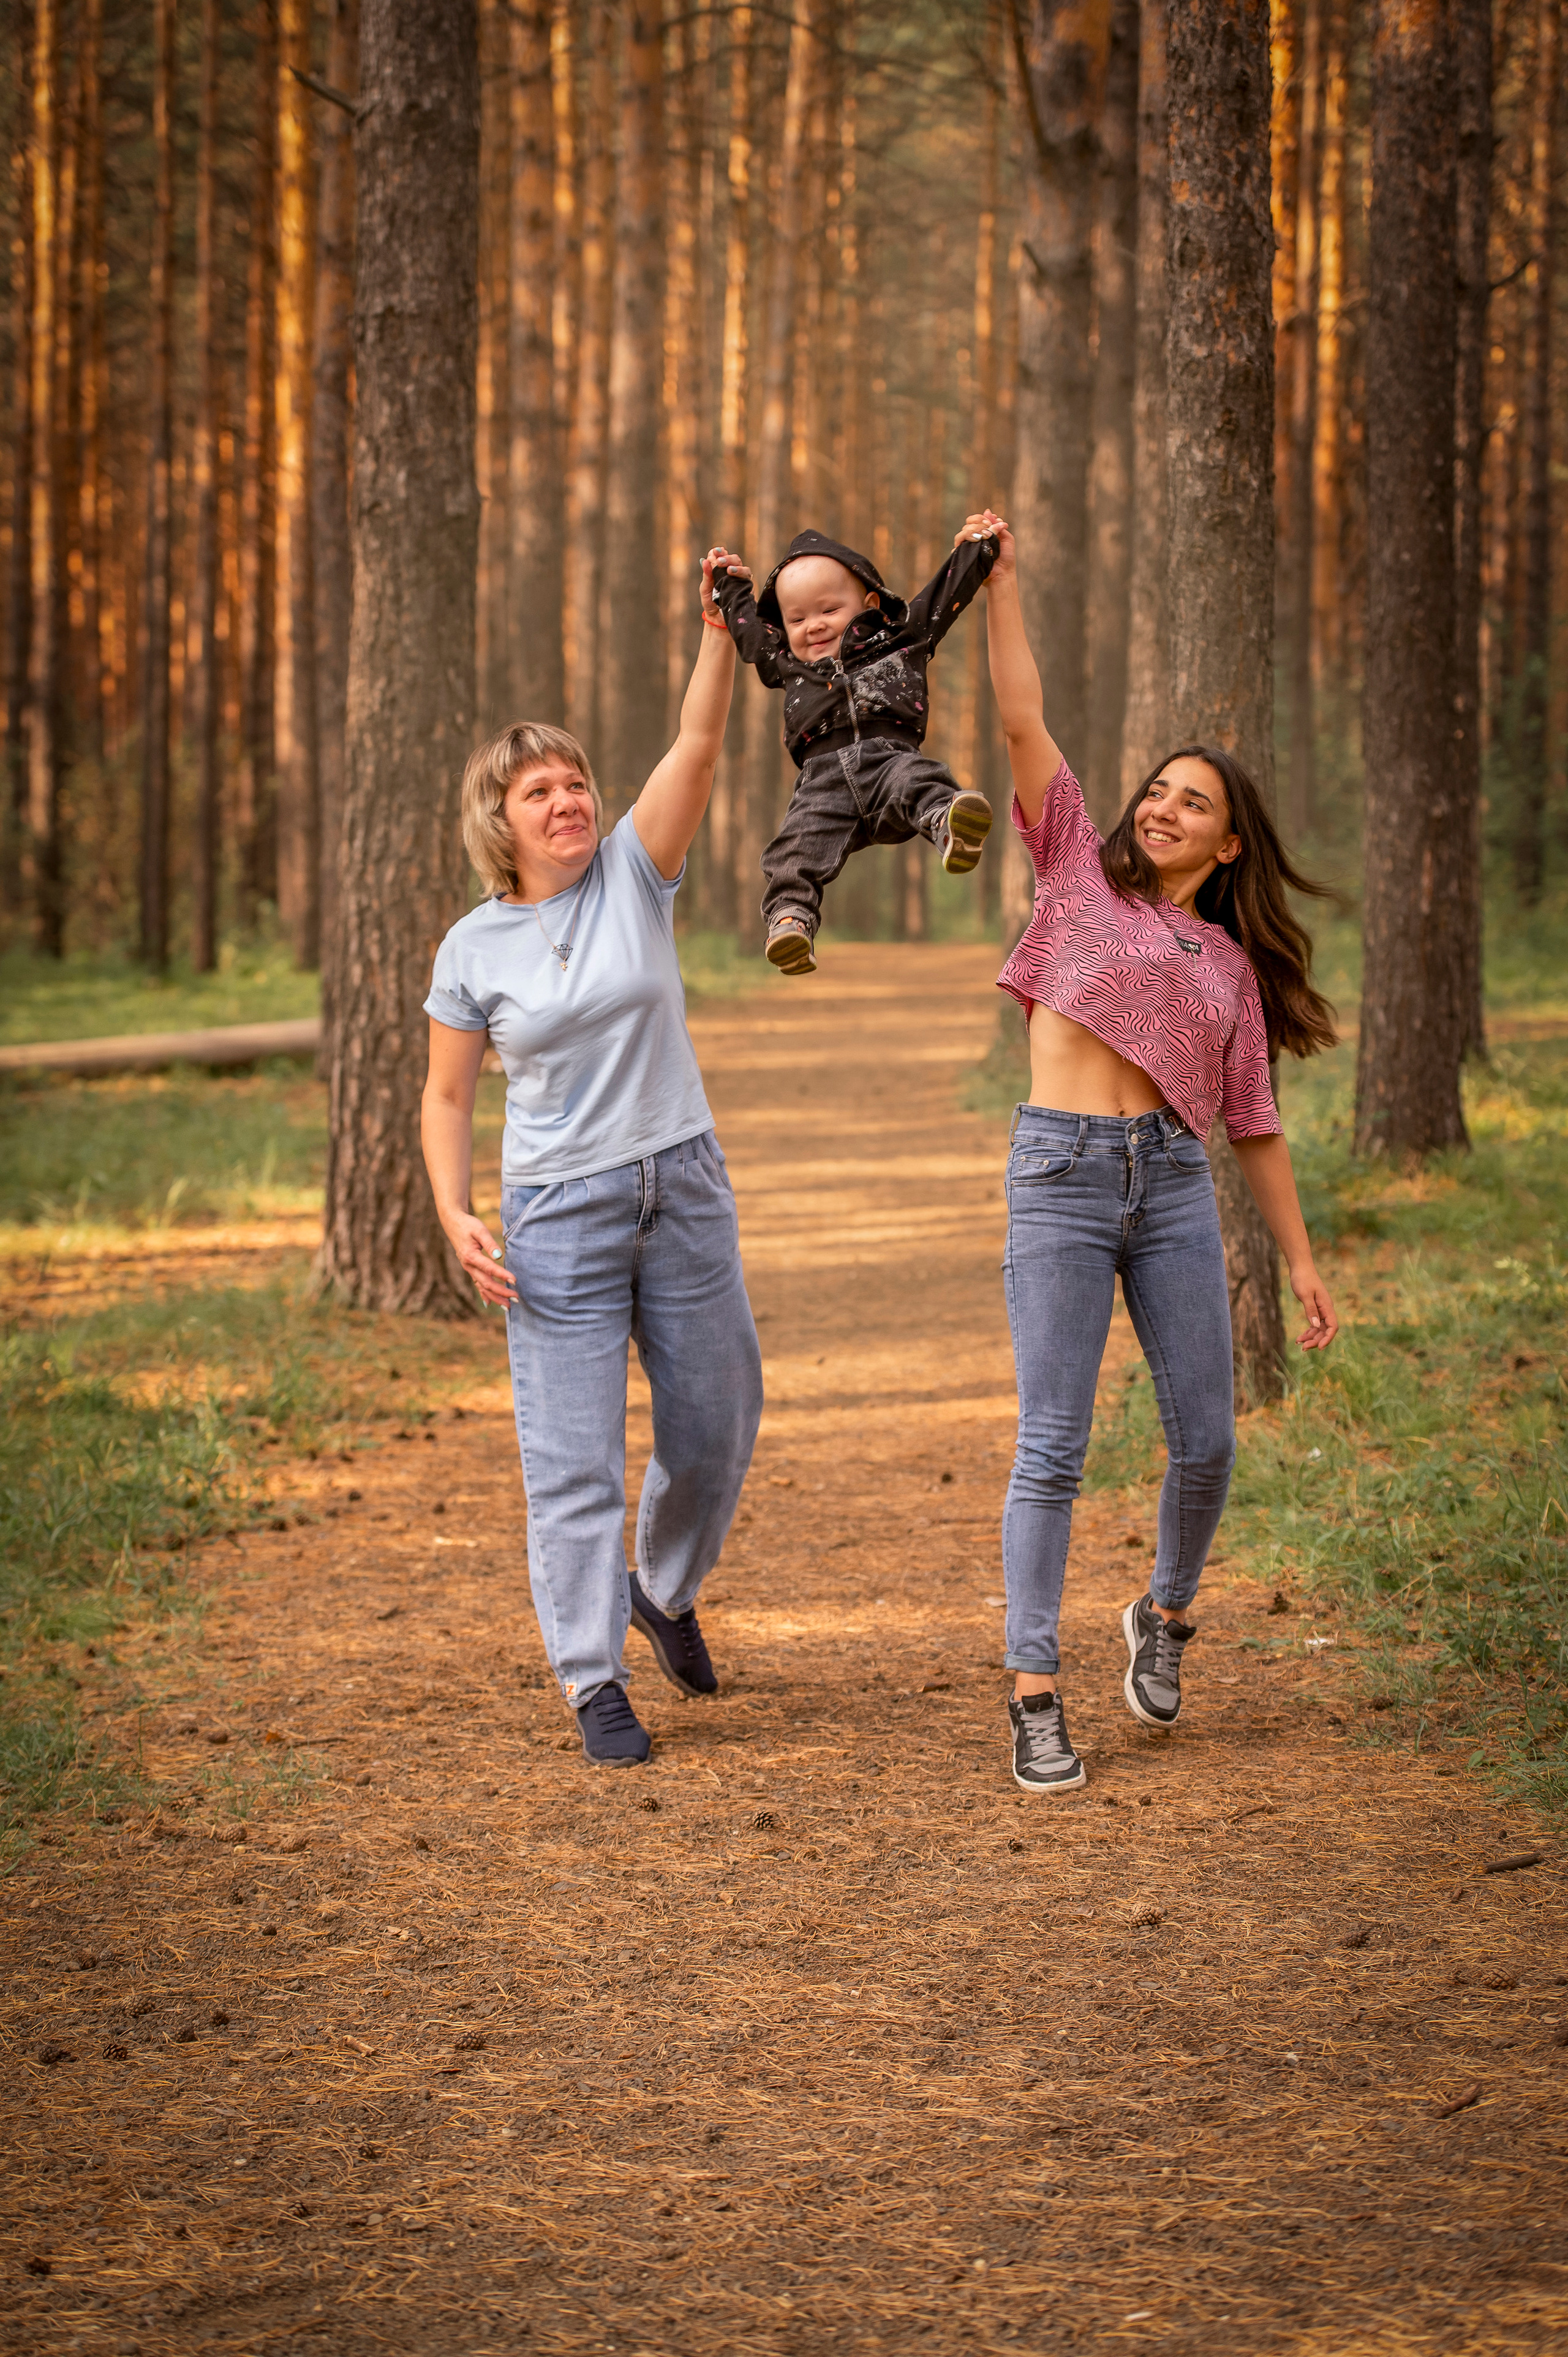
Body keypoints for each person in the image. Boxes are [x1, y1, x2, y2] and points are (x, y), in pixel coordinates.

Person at [966, 507, 1341, 1798]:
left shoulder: (1229, 965)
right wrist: (1002, 589)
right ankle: (1033, 1692)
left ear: (1228, 844)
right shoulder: (1075, 870)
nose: (1164, 807)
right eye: (1158, 790)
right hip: (1061, 1180)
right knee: (1052, 1447)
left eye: (1195, 801)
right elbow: (1022, 720)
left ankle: (1164, 1615)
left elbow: (1253, 1124)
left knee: (1208, 1442)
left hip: (1172, 1189)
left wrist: (1300, 1263)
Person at [420, 549, 764, 1769]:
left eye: (576, 782)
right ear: (500, 822)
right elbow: (445, 1094)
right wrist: (455, 1210)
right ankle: (590, 1676)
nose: (567, 801)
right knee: (572, 1464)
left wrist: (717, 635)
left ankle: (660, 1589)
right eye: (540, 792)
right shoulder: (472, 946)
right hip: (557, 1215)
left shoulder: (634, 872)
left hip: (682, 1182)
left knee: (718, 1421)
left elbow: (697, 746)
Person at [710, 525, 998, 973]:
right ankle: (790, 921)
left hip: (889, 760)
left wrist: (980, 548)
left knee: (918, 778)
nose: (815, 625)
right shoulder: (787, 663)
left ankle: (948, 824)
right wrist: (727, 584)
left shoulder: (901, 637)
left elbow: (943, 596)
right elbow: (749, 635)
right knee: (794, 846)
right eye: (797, 620)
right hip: (822, 781)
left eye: (829, 609)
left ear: (869, 605)